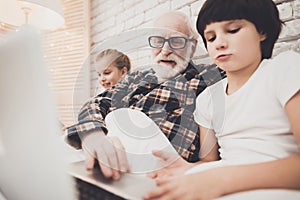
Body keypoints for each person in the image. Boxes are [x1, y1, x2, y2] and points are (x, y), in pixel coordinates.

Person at [143, 0, 300, 199]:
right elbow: (209, 161)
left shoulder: (284, 69)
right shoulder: (208, 98)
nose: (220, 43)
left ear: (262, 31)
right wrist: (187, 169)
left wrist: (221, 179)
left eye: (233, 30)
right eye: (211, 37)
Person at [66, 11, 225, 180]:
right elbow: (97, 102)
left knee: (127, 116)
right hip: (110, 154)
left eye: (176, 41)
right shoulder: (137, 77)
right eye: (158, 41)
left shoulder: (211, 76)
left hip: (158, 167)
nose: (165, 51)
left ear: (192, 47)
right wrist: (94, 135)